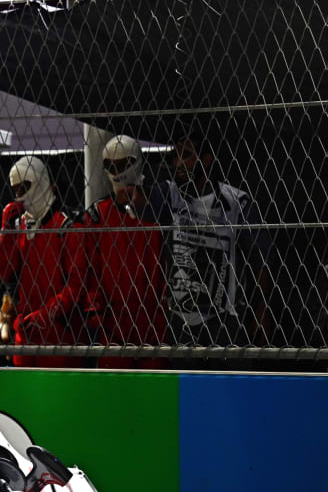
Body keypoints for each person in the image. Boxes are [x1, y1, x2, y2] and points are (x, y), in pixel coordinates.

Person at [147, 133, 271, 350]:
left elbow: (260, 256)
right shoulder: (169, 194)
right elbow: (139, 208)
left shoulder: (235, 202)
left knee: (229, 378)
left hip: (225, 317)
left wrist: (261, 307)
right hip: (180, 316)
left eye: (185, 156)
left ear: (205, 160)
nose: (177, 163)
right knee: (185, 380)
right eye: (174, 156)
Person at [81, 136, 168, 368]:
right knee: (112, 398)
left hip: (155, 325)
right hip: (113, 328)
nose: (117, 172)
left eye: (123, 164)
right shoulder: (98, 216)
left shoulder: (158, 213)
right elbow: (91, 271)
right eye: (111, 166)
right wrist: (96, 315)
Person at [0, 156, 86, 368]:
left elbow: (76, 286)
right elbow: (5, 272)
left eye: (24, 187)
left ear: (41, 182)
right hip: (26, 329)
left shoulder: (66, 226)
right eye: (16, 190)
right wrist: (6, 230)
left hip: (60, 331)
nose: (20, 196)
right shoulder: (20, 226)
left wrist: (44, 316)